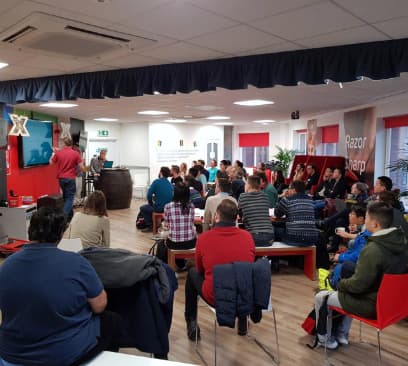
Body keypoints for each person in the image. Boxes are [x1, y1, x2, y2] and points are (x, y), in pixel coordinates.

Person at [0, 207, 122, 365]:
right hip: (60, 355)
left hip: (11, 353)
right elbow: (99, 306)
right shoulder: (76, 263)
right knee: (113, 321)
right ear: (60, 234)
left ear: (31, 230)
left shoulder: (6, 265)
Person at [314, 201, 408, 349]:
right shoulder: (401, 245)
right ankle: (341, 334)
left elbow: (358, 286)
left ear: (375, 224)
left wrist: (339, 284)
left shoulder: (373, 249)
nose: (365, 220)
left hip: (372, 304)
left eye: (367, 217)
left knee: (322, 297)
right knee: (347, 283)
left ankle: (325, 340)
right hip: (393, 306)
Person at [184, 199, 255, 341]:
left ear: (216, 216)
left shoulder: (204, 238)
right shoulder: (248, 237)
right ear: (237, 218)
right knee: (240, 275)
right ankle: (242, 322)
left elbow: (200, 269)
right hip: (244, 296)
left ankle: (191, 322)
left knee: (192, 274)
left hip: (215, 296)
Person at [329, 205, 371, 289]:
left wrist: (341, 257)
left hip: (361, 271)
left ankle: (334, 283)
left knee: (344, 263)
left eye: (352, 214)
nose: (349, 215)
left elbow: (358, 255)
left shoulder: (368, 234)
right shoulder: (366, 231)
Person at [274, 180, 319, 246]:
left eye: (289, 188)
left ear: (294, 190)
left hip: (294, 237)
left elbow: (277, 214)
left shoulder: (287, 200)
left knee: (273, 229)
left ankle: (278, 255)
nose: (287, 190)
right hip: (311, 238)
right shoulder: (310, 200)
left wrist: (281, 197)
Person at [50, 136, 84, 220]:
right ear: (71, 144)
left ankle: (70, 216)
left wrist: (53, 154)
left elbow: (50, 162)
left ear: (64, 144)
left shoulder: (58, 153)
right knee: (69, 198)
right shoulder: (75, 153)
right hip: (71, 179)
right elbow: (81, 167)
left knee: (66, 197)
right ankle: (63, 217)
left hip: (61, 179)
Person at [163, 182, 197, 268]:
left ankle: (172, 265)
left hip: (174, 243)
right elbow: (192, 222)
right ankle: (182, 264)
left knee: (162, 243)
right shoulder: (191, 206)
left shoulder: (168, 206)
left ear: (174, 193)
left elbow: (166, 224)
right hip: (190, 243)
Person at [238, 175, 274, 247]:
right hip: (269, 236)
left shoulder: (243, 196)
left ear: (249, 185)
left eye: (246, 183)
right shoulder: (265, 196)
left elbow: (239, 213)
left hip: (253, 236)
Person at [140, 166, 174, 232]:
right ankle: (158, 223)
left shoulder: (156, 182)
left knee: (143, 208)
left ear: (161, 172)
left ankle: (150, 226)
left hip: (159, 208)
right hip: (169, 208)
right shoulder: (170, 184)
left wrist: (151, 203)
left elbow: (149, 195)